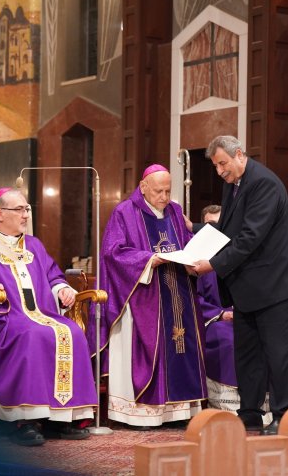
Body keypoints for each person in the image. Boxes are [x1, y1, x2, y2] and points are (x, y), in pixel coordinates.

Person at [0, 188, 96, 446]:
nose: (26, 215)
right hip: (1, 316)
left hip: (41, 313)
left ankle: (62, 418)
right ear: (0, 214)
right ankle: (24, 420)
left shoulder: (34, 245)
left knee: (72, 331)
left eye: (27, 209)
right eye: (19, 209)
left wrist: (62, 288)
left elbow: (52, 274)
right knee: (29, 334)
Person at [193, 135, 288, 435]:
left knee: (279, 356)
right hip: (248, 288)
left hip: (275, 286)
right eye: (216, 166)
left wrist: (212, 265)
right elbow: (228, 229)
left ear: (239, 154)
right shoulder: (234, 183)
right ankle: (250, 414)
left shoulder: (264, 183)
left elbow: (249, 238)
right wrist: (192, 228)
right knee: (248, 356)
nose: (220, 171)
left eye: (223, 164)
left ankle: (284, 416)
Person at [94, 164, 207, 428]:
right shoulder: (124, 212)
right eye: (159, 191)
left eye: (168, 191)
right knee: (149, 346)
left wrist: (195, 257)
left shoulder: (175, 211)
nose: (164, 197)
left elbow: (187, 242)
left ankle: (178, 412)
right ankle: (141, 414)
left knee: (182, 343)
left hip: (178, 290)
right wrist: (148, 259)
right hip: (143, 295)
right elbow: (112, 252)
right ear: (143, 187)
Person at [196, 205, 237, 410]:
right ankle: (229, 404)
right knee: (229, 340)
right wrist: (220, 314)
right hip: (213, 321)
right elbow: (193, 297)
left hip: (243, 317)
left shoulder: (238, 252)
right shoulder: (197, 258)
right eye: (210, 225)